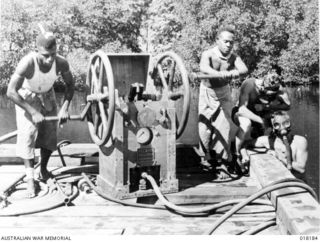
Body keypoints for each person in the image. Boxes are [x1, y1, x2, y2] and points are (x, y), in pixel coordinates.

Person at [6, 27, 74, 198]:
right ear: (37, 51)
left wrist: (65, 107)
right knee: (27, 135)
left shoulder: (61, 62)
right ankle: (30, 179)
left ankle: (43, 169)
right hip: (27, 95)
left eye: (53, 54)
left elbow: (70, 85)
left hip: (48, 94)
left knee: (50, 133)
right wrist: (32, 111)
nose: (50, 59)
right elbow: (11, 92)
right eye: (45, 55)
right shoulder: (27, 63)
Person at [198, 25, 248, 179]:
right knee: (204, 126)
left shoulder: (234, 57)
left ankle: (222, 161)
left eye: (231, 42)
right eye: (226, 42)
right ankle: (205, 156)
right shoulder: (208, 54)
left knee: (225, 124)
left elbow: (244, 70)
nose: (228, 45)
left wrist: (234, 72)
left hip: (224, 93)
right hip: (207, 92)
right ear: (217, 41)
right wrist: (220, 74)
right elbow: (203, 67)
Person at [232, 73, 290, 172]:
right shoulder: (249, 85)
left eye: (271, 94)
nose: (269, 95)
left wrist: (266, 107)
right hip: (242, 114)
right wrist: (261, 121)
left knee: (280, 119)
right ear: (262, 84)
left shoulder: (280, 88)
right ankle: (236, 155)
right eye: (267, 92)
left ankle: (278, 150)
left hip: (262, 114)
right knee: (246, 124)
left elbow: (287, 106)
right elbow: (242, 109)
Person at [241, 111, 308, 175]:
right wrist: (245, 156)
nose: (282, 127)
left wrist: (279, 157)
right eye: (277, 125)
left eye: (286, 123)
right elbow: (244, 144)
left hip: (298, 183)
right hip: (280, 183)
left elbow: (301, 168)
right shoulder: (268, 141)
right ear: (273, 127)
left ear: (290, 124)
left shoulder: (300, 141)